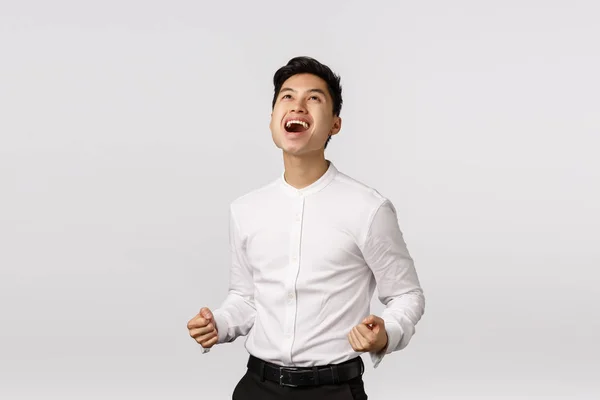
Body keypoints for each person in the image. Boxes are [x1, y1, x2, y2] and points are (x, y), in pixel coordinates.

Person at [187, 56, 425, 399]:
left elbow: (407, 294)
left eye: (314, 98)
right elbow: (246, 297)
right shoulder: (245, 209)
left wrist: (387, 332)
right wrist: (219, 324)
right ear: (272, 120)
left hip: (334, 390)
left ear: (335, 125)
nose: (298, 105)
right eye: (287, 96)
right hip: (256, 388)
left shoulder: (369, 209)